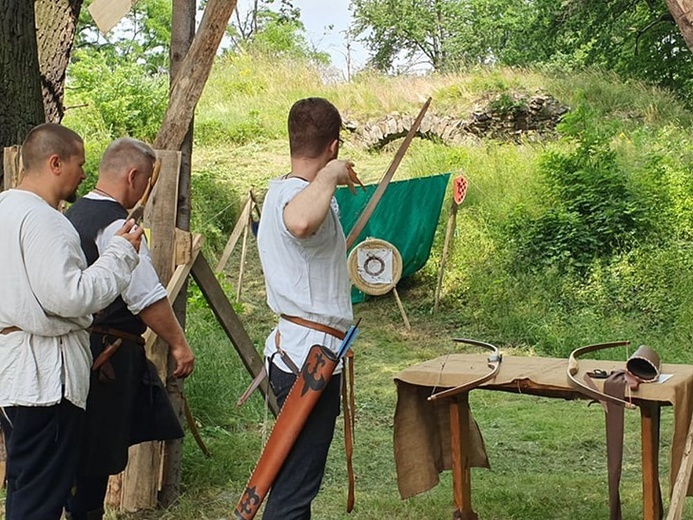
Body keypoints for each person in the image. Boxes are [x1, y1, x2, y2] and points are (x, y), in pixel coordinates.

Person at [0, 123, 145, 520]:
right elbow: (71, 296)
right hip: (44, 378)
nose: (84, 174)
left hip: (17, 374)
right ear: (55, 162)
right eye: (79, 164)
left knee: (28, 489)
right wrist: (120, 254)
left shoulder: (4, 211)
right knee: (41, 500)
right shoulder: (43, 219)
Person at [63, 137, 195, 520]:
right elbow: (146, 297)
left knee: (79, 454)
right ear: (133, 176)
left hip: (77, 351)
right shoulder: (117, 225)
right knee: (93, 460)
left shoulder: (72, 216)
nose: (147, 191)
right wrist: (179, 345)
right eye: (147, 182)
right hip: (104, 360)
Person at [256, 97, 358, 519]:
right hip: (307, 358)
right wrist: (332, 173)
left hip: (306, 351)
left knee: (292, 479)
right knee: (295, 490)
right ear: (333, 145)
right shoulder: (296, 195)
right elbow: (300, 222)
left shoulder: (284, 190)